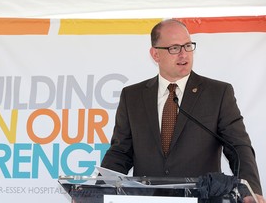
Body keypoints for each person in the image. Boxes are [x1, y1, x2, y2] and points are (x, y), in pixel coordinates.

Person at [100, 19, 265, 202]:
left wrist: (250, 190)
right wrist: (95, 192)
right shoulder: (132, 96)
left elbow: (239, 148)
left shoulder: (218, 93)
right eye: (174, 48)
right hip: (148, 199)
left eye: (188, 46)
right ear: (155, 54)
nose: (183, 54)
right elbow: (120, 152)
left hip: (202, 198)